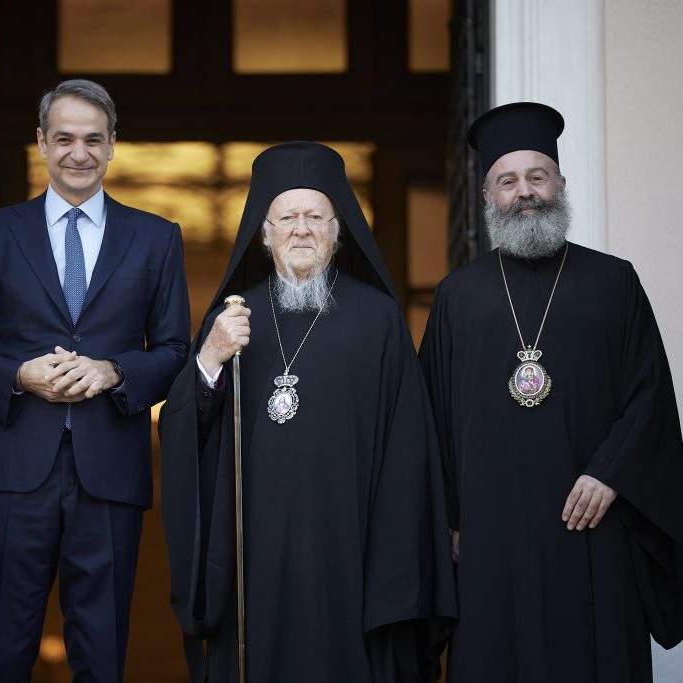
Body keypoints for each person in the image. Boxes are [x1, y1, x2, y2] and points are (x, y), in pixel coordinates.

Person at [159, 142, 456, 682]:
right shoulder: (232, 318)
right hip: (255, 562)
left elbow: (409, 450)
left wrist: (394, 571)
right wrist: (209, 360)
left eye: (315, 217)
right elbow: (185, 434)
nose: (301, 230)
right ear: (265, 233)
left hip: (352, 554)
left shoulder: (379, 321)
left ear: (337, 231)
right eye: (288, 218)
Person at [420, 101, 683, 682]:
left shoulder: (614, 282)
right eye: (507, 181)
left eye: (537, 177)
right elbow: (430, 420)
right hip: (490, 536)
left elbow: (651, 395)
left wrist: (611, 473)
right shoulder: (458, 297)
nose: (525, 193)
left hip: (593, 528)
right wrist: (449, 521)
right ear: (488, 195)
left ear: (559, 184)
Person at [0, 79, 190, 681]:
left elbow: (176, 351)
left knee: (101, 655)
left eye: (93, 140)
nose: (80, 153)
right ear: (42, 142)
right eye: (65, 139)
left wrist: (114, 370)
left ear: (113, 145)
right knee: (4, 650)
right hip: (10, 471)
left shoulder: (157, 237)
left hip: (110, 472)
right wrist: (17, 375)